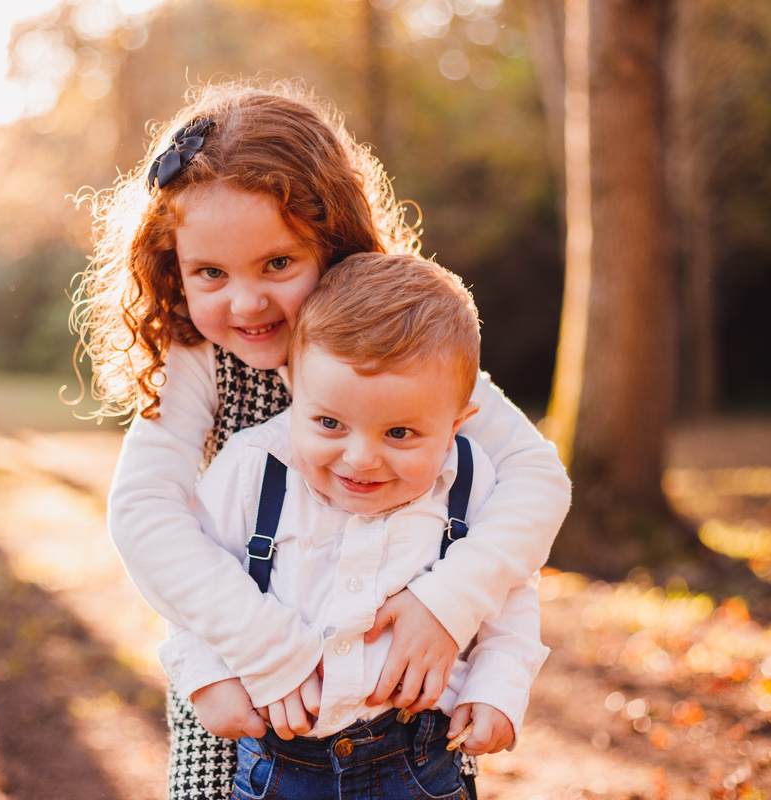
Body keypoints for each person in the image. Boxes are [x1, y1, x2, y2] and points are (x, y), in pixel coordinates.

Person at [75, 79, 571, 799]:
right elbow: (145, 516)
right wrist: (268, 652)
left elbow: (536, 476)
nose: (247, 303)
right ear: (173, 272)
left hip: (397, 708)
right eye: (210, 273)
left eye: (277, 264)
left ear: (333, 242)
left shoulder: (393, 349)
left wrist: (449, 603)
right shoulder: (196, 358)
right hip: (248, 691)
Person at [161, 253, 550, 799]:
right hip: (280, 757)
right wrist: (207, 675)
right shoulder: (253, 466)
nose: (361, 458)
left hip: (418, 759)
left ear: (457, 423)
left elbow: (508, 593)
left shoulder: (470, 479)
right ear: (294, 388)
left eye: (400, 433)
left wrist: (498, 689)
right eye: (328, 424)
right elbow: (191, 580)